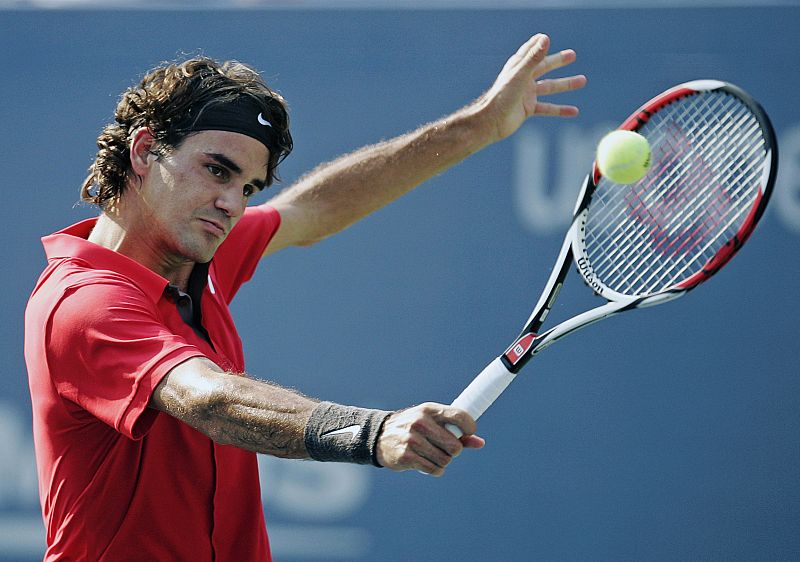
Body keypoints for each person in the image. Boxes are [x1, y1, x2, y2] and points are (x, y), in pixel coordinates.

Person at [24, 33, 586, 561]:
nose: (231, 203)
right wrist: (372, 433)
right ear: (145, 151)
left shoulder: (200, 252)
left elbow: (314, 209)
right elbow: (211, 401)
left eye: (246, 187)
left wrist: (480, 125)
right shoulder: (85, 303)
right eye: (216, 170)